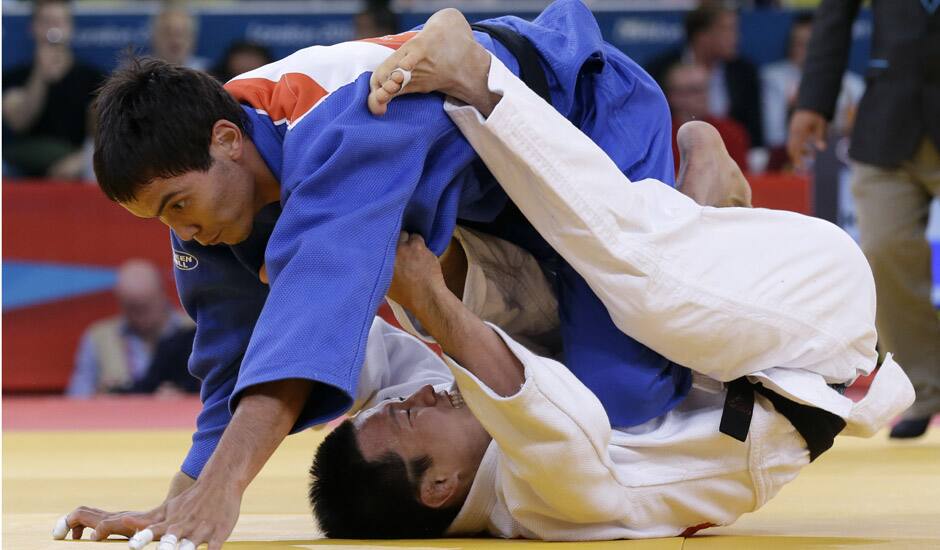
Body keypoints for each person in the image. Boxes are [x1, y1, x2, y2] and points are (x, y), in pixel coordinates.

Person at [60, 2, 686, 547]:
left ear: (227, 140)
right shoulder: (212, 181)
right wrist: (175, 507)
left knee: (626, 399)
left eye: (178, 206)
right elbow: (234, 359)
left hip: (590, 120)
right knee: (547, 375)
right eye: (163, 220)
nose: (185, 232)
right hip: (490, 198)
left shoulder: (339, 128)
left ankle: (702, 196)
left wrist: (224, 492)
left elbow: (311, 320)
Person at [310, 41, 913, 539]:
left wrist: (283, 254)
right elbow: (533, 402)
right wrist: (431, 304)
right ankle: (484, 82)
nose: (425, 397)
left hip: (731, 311)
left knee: (439, 290)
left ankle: (697, 211)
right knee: (613, 375)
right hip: (810, 323)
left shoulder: (436, 429)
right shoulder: (550, 506)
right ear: (438, 486)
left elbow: (355, 337)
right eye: (411, 413)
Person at [788, 0, 940, 439]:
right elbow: (834, 17)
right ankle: (924, 390)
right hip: (888, 117)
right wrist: (812, 102)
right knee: (882, 249)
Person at [1, 0, 104, 179]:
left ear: (70, 27)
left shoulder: (94, 78)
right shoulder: (14, 76)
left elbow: (104, 134)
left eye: (59, 22)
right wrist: (40, 75)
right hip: (21, 165)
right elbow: (19, 122)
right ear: (32, 28)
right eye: (46, 21)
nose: (53, 28)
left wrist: (80, 160)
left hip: (75, 163)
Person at [67, 259, 196, 397]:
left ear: (162, 293)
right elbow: (77, 399)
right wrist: (100, 398)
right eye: (132, 308)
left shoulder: (196, 331)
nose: (140, 316)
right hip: (117, 417)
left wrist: (187, 397)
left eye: (146, 306)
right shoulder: (98, 337)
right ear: (120, 302)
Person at [646, 3, 764, 147]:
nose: (736, 37)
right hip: (673, 147)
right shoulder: (659, 69)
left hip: (731, 150)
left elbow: (755, 132)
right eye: (727, 30)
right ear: (702, 35)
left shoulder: (744, 72)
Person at [760, 12, 863, 170]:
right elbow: (774, 137)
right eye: (799, 44)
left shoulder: (854, 85)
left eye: (811, 45)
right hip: (790, 156)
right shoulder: (773, 79)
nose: (806, 52)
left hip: (840, 160)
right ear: (790, 46)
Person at [664, 62, 751, 172]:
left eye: (704, 89)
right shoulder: (661, 135)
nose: (702, 96)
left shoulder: (731, 132)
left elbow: (741, 179)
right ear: (672, 96)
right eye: (693, 90)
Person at [150, 3, 209, 70]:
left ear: (192, 38)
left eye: (181, 34)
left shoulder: (208, 72)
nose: (175, 40)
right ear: (155, 37)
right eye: (168, 33)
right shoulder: (141, 73)